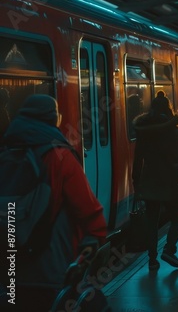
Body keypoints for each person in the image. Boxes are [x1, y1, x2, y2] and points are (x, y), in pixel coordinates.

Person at [0, 94, 107, 311]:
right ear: (52, 119)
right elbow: (89, 210)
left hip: (10, 266)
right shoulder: (59, 155)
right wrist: (94, 241)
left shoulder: (6, 152)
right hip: (51, 265)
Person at [132, 91, 178, 271]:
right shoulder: (172, 129)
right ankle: (169, 249)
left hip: (149, 177)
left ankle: (152, 260)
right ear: (168, 109)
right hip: (171, 178)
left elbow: (138, 157)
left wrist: (136, 180)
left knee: (151, 221)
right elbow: (176, 157)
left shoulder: (143, 130)